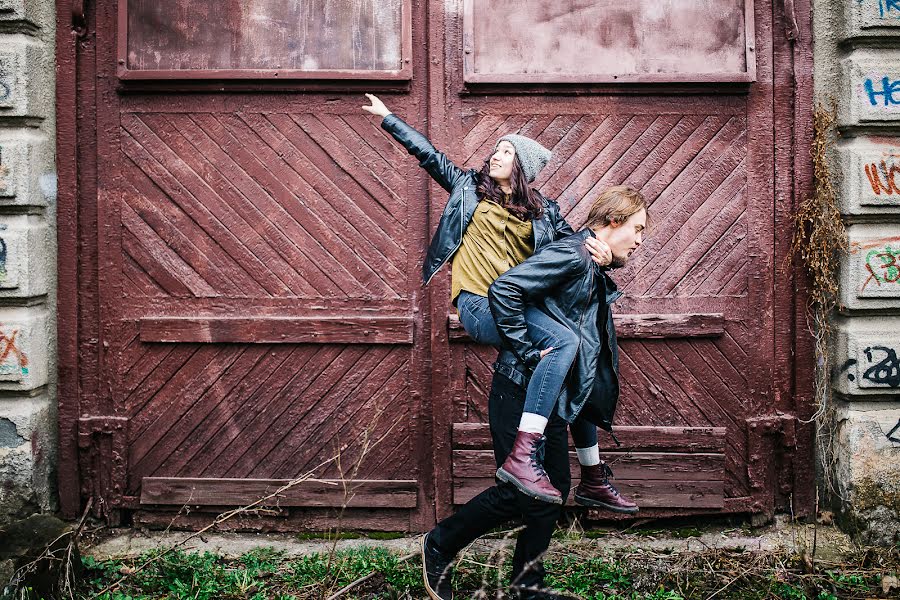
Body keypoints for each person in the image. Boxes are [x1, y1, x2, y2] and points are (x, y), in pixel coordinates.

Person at [361, 94, 634, 509]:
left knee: (584, 348)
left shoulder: (544, 212)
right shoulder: (468, 188)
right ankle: (523, 456)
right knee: (564, 343)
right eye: (495, 150)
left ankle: (593, 475)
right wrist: (389, 119)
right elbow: (430, 156)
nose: (495, 155)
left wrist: (609, 256)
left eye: (506, 151)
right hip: (480, 304)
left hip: (521, 303)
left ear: (521, 164)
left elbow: (574, 250)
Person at [422, 186, 648, 599]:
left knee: (553, 491)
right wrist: (526, 351)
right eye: (636, 229)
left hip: (550, 400)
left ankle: (526, 586)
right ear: (613, 222)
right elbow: (506, 289)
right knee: (519, 489)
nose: (639, 240)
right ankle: (439, 543)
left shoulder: (589, 261)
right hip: (519, 390)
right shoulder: (573, 254)